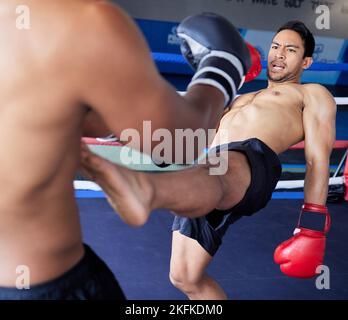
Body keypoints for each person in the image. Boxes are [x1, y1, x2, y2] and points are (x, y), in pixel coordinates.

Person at [0, 0, 253, 300]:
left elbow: (43, 115)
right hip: (44, 284)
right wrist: (223, 66)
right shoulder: (82, 23)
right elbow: (182, 140)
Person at [80, 20, 337, 299]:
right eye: (275, 47)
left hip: (252, 161)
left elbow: (317, 158)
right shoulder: (240, 98)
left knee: (216, 166)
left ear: (306, 61)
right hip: (209, 169)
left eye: (290, 50)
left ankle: (147, 188)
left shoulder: (311, 94)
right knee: (184, 277)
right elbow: (198, 136)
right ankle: (118, 133)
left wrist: (311, 228)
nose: (279, 54)